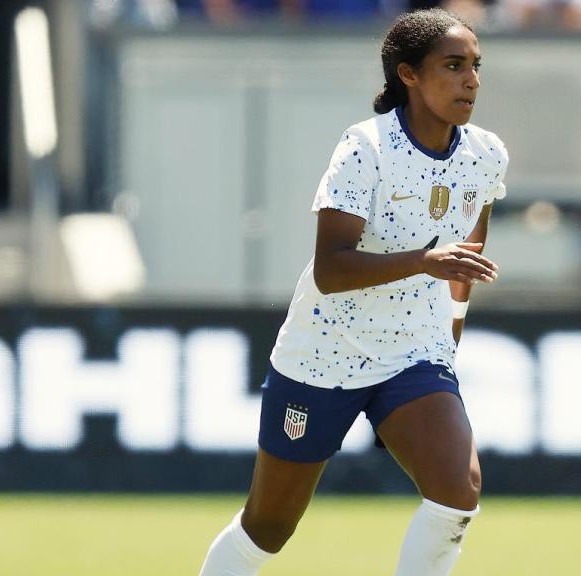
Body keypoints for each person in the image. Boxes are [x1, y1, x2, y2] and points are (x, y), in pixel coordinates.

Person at [198, 8, 508, 576]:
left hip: (414, 352)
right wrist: (423, 262)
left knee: (458, 492)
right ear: (409, 74)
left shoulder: (485, 154)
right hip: (325, 351)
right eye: (453, 66)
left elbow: (464, 261)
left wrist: (449, 342)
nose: (471, 80)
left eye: (476, 66)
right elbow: (331, 269)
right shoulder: (367, 146)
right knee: (268, 527)